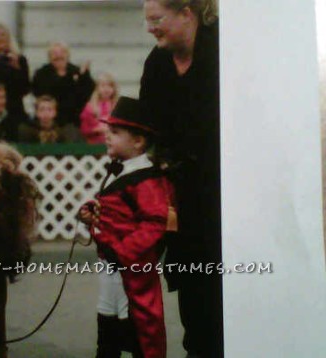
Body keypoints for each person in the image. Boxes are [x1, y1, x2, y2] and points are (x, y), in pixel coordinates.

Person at [139, 1, 222, 357]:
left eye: (156, 20)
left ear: (187, 13)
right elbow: (147, 131)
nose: (150, 28)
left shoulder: (224, 51)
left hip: (224, 195)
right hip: (178, 197)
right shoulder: (156, 63)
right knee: (190, 283)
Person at [78, 97, 177, 358]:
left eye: (115, 132)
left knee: (137, 325)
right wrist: (93, 215)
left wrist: (121, 252)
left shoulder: (147, 180)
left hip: (132, 267)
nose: (107, 137)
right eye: (108, 131)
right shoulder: (122, 172)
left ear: (138, 141)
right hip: (111, 264)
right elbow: (116, 212)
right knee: (108, 318)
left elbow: (155, 223)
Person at [32, 42, 95, 139]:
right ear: (49, 57)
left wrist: (85, 76)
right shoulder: (42, 73)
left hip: (72, 120)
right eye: (54, 53)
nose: (58, 55)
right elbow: (40, 94)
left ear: (67, 55)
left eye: (62, 52)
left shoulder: (77, 71)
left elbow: (87, 93)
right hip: (48, 121)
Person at [80, 73, 119, 144]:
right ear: (97, 88)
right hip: (94, 146)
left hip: (113, 145)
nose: (106, 89)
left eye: (110, 86)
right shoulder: (90, 107)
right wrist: (97, 129)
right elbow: (84, 130)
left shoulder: (117, 106)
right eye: (103, 86)